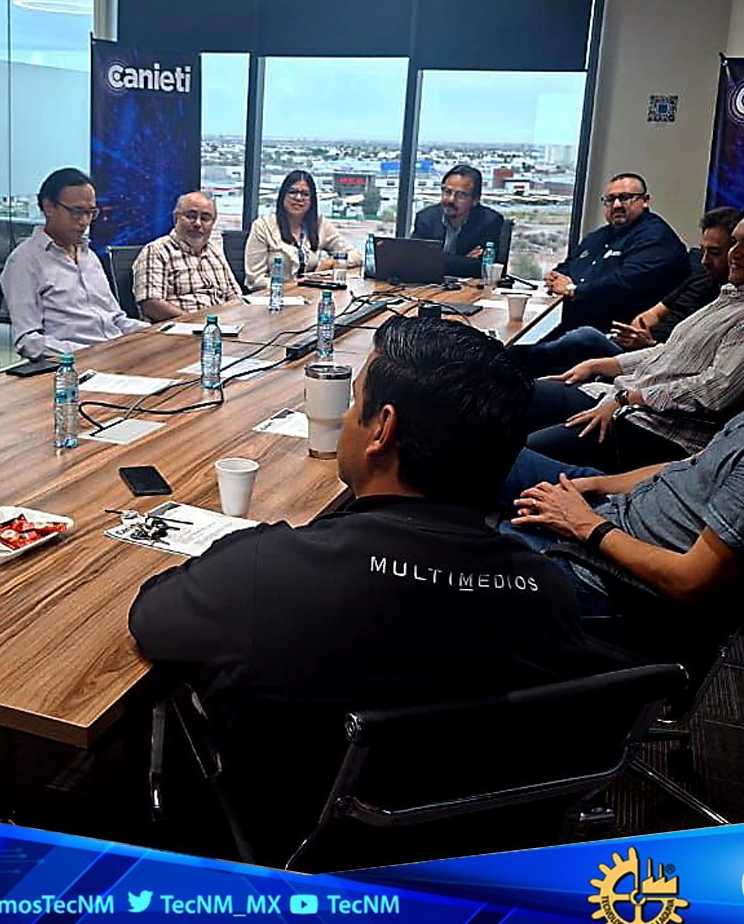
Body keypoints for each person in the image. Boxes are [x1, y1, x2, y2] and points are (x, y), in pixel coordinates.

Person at [130, 316, 628, 857]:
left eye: (353, 402)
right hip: (477, 854)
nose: (347, 417)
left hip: (305, 846)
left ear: (381, 430)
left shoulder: (272, 571)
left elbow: (152, 618)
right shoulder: (548, 591)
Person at [507, 246, 744, 664]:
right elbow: (693, 464)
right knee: (481, 454)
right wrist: (594, 485)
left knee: (453, 560)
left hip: (605, 586)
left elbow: (692, 582)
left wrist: (584, 525)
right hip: (612, 517)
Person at [522, 203, 744, 471]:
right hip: (626, 400)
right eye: (734, 242)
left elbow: (717, 390)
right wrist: (599, 365)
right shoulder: (731, 296)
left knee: (518, 453)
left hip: (658, 428)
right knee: (513, 394)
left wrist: (627, 397)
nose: (733, 253)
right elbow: (670, 351)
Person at [510, 206, 738, 378]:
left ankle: (509, 360)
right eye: (610, 199)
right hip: (633, 342)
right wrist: (635, 333)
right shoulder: (702, 275)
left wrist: (650, 344)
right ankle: (511, 363)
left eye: (714, 253)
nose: (705, 260)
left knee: (584, 336)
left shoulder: (730, 300)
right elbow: (655, 313)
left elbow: (687, 356)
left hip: (654, 356)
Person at [1, 167, 147, 359]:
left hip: (116, 354)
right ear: (49, 207)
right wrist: (89, 353)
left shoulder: (89, 256)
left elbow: (116, 319)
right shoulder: (25, 261)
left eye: (90, 212)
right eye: (77, 212)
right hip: (74, 364)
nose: (84, 221)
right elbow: (28, 341)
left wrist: (156, 333)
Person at [544, 172, 691, 335]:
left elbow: (624, 285)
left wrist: (574, 289)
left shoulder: (656, 237)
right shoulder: (598, 236)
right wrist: (555, 279)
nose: (616, 205)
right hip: (574, 324)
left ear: (645, 201)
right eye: (610, 199)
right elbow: (568, 267)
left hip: (614, 333)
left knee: (529, 349)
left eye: (625, 198)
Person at [132, 191, 242, 321]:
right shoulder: (156, 251)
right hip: (180, 328)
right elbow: (151, 305)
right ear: (176, 218)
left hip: (221, 325)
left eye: (205, 218)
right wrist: (197, 321)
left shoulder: (215, 251)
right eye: (190, 216)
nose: (197, 223)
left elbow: (234, 294)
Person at [242, 169, 359, 291]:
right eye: (293, 192)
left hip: (309, 296)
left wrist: (332, 262)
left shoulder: (320, 224)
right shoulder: (263, 227)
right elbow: (254, 280)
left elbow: (355, 256)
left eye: (305, 194)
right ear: (283, 195)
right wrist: (293, 285)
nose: (298, 198)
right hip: (273, 297)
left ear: (312, 200)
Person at [410, 164, 507, 278]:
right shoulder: (426, 218)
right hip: (430, 284)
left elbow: (484, 268)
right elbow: (414, 259)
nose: (451, 200)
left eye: (461, 195)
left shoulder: (489, 222)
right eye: (447, 192)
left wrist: (435, 259)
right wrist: (464, 260)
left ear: (475, 200)